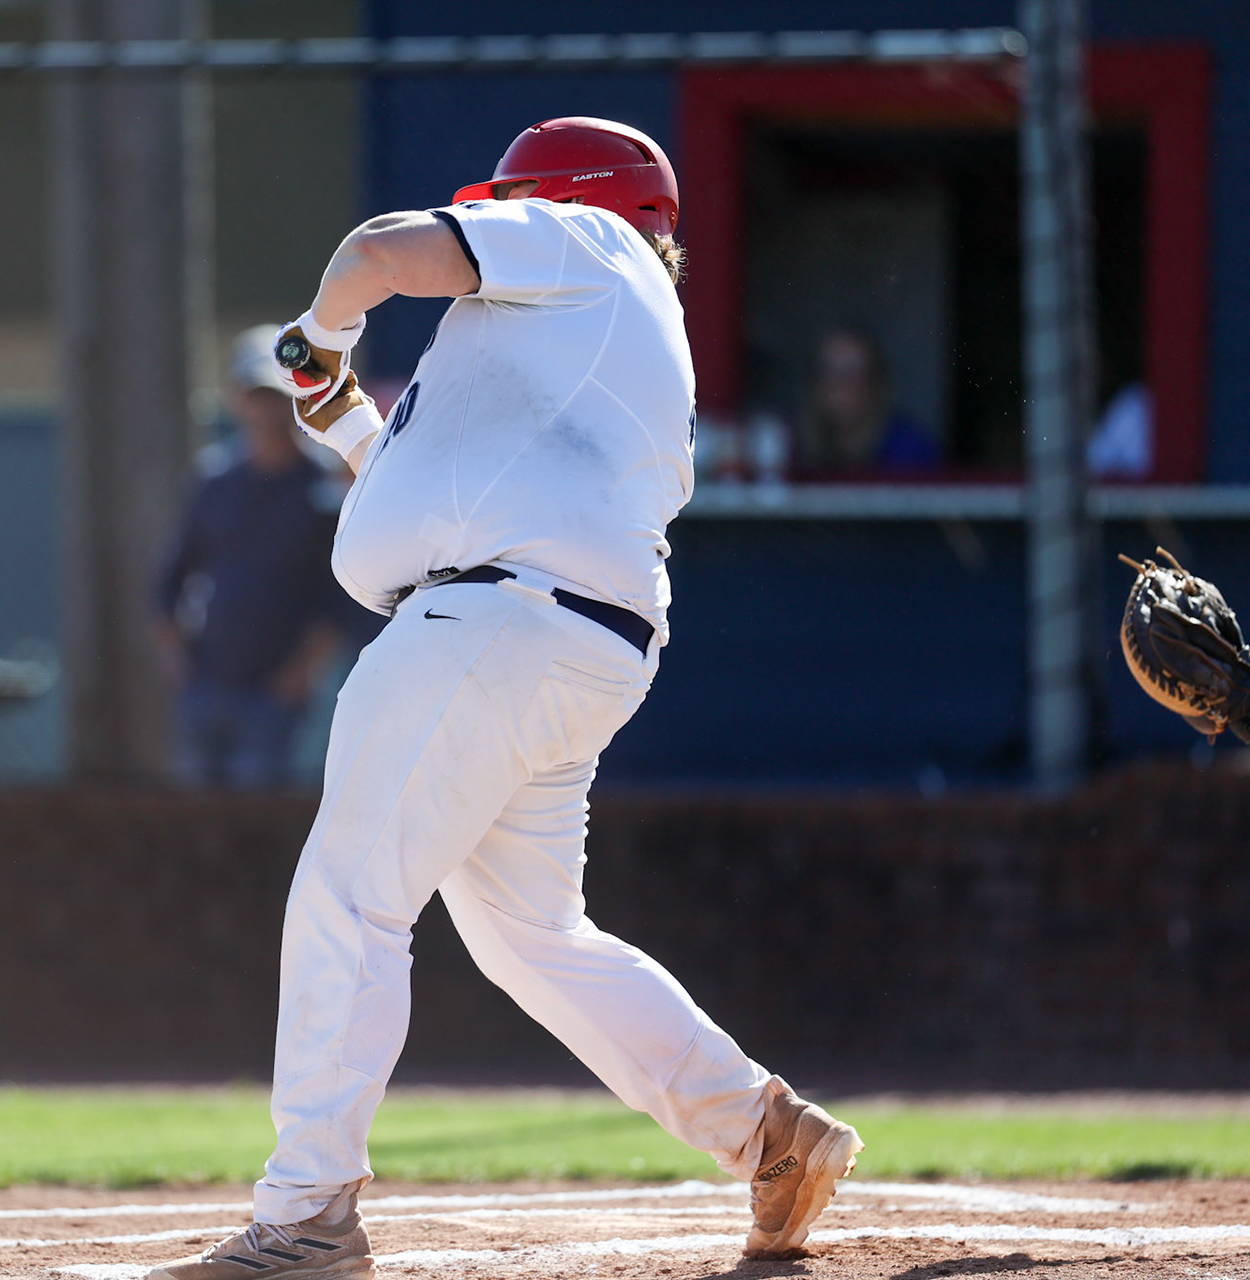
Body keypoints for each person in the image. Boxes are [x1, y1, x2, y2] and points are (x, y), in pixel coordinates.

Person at [145, 117, 861, 1280]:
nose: (504, 215)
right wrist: (333, 399)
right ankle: (768, 1130)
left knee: (349, 892)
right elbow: (422, 485)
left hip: (489, 625)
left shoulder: (585, 238)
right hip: (556, 635)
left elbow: (381, 249)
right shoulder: (581, 341)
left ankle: (308, 1212)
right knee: (533, 935)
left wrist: (322, 326)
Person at [153, 326, 345, 789]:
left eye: (278, 396)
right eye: (257, 395)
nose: (267, 409)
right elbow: (170, 579)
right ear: (239, 399)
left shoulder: (324, 493)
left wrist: (298, 676)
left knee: (258, 820)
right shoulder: (214, 482)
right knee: (196, 819)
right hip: (206, 686)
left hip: (274, 697)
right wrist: (179, 661)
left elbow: (340, 600)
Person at [799, 326, 939, 476]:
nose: (838, 386)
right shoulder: (796, 449)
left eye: (851, 374)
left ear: (876, 385)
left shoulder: (911, 452)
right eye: (828, 372)